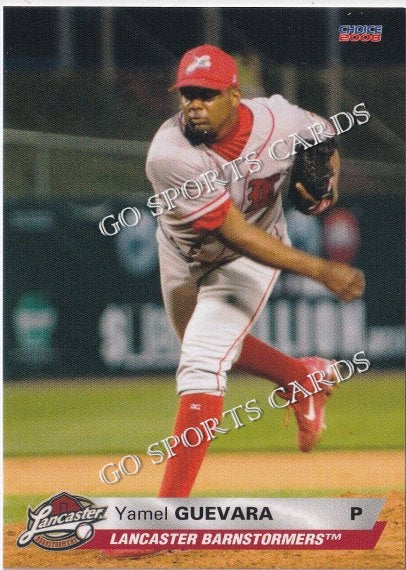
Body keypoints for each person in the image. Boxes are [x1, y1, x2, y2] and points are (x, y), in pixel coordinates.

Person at [104, 44, 365, 557]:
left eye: (205, 94)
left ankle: (164, 521)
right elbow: (233, 230)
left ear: (233, 95)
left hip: (248, 259)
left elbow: (325, 134)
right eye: (186, 95)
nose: (193, 105)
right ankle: (301, 378)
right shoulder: (169, 155)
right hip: (187, 251)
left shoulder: (279, 119)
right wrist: (322, 270)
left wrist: (327, 182)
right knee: (202, 348)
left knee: (202, 362)